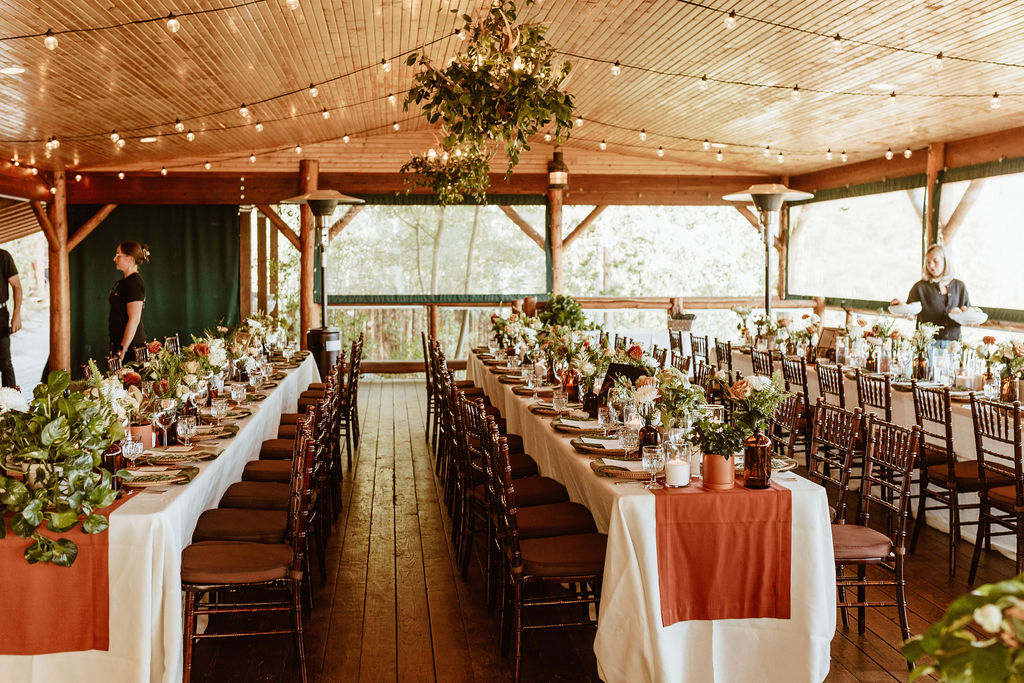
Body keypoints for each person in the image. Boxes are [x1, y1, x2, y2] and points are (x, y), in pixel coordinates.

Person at [894, 244, 970, 348]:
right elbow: (911, 312)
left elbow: (966, 312)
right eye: (928, 262)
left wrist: (970, 320)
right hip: (927, 345)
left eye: (935, 261)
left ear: (945, 261)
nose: (931, 265)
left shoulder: (960, 286)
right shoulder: (919, 287)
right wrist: (904, 311)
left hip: (953, 345)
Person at [109, 241, 149, 361]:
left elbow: (134, 320)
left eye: (118, 255)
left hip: (132, 348)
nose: (114, 259)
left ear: (130, 259)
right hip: (120, 344)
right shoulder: (123, 282)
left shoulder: (135, 283)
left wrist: (122, 349)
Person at [0, 246, 22, 387]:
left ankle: (12, 406)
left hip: (0, 315)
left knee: (5, 363)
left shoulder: (3, 256)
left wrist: (17, 314)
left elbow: (17, 286)